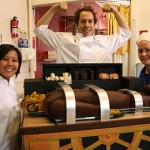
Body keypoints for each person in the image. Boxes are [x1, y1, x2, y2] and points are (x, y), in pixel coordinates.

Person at [34, 2, 131, 63]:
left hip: (99, 89)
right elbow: (39, 30)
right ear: (77, 25)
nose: (87, 25)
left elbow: (126, 33)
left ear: (95, 24)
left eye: (90, 21)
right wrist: (53, 8)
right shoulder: (63, 39)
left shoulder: (106, 42)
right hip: (71, 89)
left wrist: (115, 11)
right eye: (83, 21)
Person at [0, 44, 22, 150]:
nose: (10, 64)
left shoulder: (11, 83)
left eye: (14, 60)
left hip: (14, 145)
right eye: (4, 59)